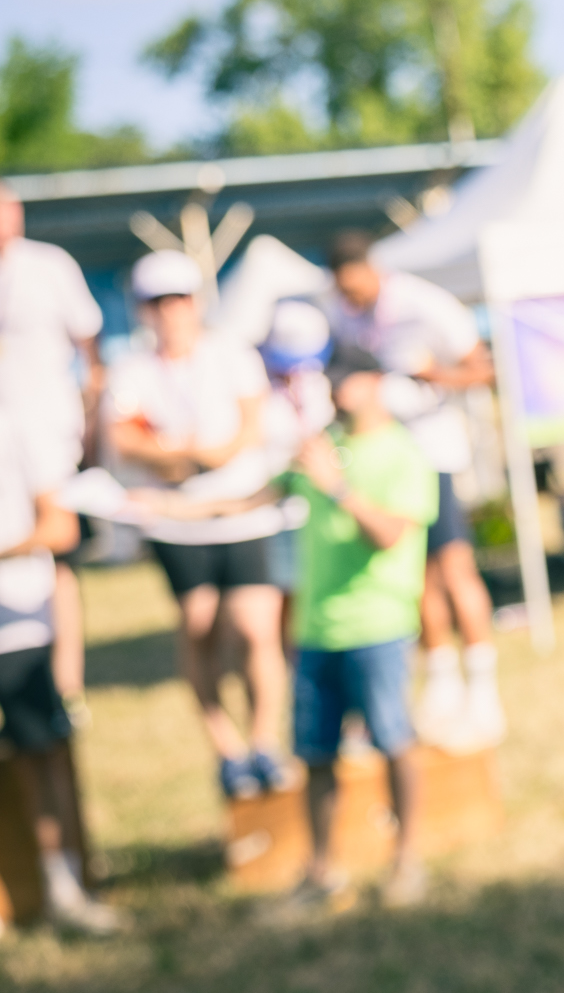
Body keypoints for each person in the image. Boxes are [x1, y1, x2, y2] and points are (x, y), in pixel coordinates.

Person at [159, 341, 437, 913]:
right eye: (331, 380)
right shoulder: (321, 448)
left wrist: (338, 487)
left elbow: (390, 534)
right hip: (315, 630)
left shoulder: (403, 453)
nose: (336, 391)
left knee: (394, 742)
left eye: (347, 380)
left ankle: (407, 861)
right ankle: (321, 869)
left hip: (379, 626)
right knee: (314, 754)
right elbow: (256, 498)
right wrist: (164, 508)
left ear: (376, 383)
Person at [108, 250, 290, 800]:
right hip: (178, 524)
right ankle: (227, 748)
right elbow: (124, 437)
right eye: (159, 302)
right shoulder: (133, 368)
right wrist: (187, 457)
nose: (171, 311)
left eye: (179, 299)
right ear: (145, 309)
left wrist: (181, 457)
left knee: (256, 628)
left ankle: (265, 741)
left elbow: (246, 432)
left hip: (241, 512)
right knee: (199, 623)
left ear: (195, 302)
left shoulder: (230, 353)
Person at [323, 230, 502, 749]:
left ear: (373, 271)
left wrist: (432, 374)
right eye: (344, 293)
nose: (352, 300)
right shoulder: (343, 315)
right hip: (383, 456)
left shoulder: (426, 306)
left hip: (431, 453)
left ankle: (482, 685)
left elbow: (484, 370)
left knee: (454, 566)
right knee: (416, 576)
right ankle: (441, 680)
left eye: (357, 290)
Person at [0, 408, 126, 936]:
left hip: (19, 627)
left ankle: (66, 886)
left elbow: (60, 526)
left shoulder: (17, 426)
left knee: (42, 755)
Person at [0, 183, 103, 723]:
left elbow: (91, 352)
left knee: (56, 555)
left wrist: (90, 428)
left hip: (49, 434)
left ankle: (66, 684)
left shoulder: (49, 265)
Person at [258, 301, 337, 648]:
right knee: (286, 594)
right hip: (277, 506)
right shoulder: (260, 387)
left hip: (321, 502)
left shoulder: (324, 383)